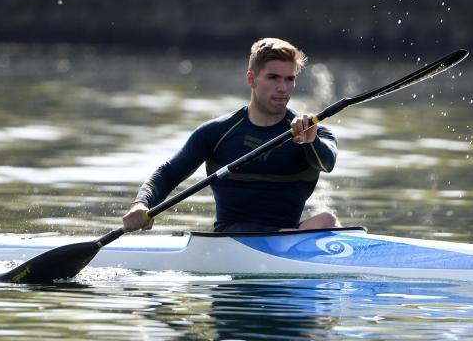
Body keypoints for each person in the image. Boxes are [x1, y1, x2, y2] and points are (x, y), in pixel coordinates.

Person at [122, 37, 339, 234]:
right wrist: (141, 204)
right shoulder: (217, 132)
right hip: (231, 238)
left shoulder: (314, 132)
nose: (283, 88)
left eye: (289, 79)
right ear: (251, 79)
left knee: (327, 220)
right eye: (273, 78)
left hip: (286, 239)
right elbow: (169, 173)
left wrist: (310, 141)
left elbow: (327, 163)